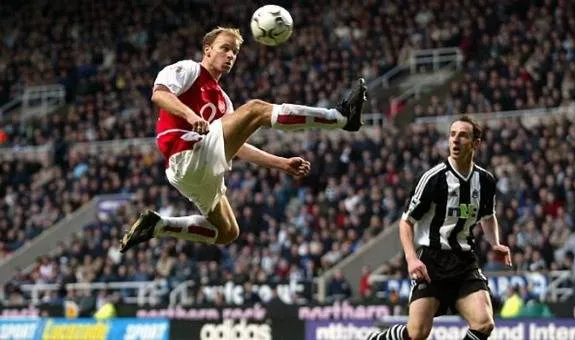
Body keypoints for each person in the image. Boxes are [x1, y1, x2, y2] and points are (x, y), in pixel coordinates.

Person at [120, 27, 367, 252]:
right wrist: (189, 114)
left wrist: (280, 163)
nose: (230, 56)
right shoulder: (189, 70)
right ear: (208, 50)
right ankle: (340, 117)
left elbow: (236, 147)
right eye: (224, 48)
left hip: (195, 169)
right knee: (257, 109)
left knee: (227, 232)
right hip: (186, 151)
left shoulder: (224, 101)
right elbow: (159, 95)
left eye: (234, 52)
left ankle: (159, 226)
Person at [368, 116, 511, 340]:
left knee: (484, 324)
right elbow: (406, 222)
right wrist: (411, 258)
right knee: (417, 334)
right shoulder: (433, 179)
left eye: (463, 135)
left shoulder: (485, 181)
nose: (455, 140)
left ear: (476, 143)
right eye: (452, 134)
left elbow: (488, 215)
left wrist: (495, 243)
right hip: (431, 262)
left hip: (464, 261)